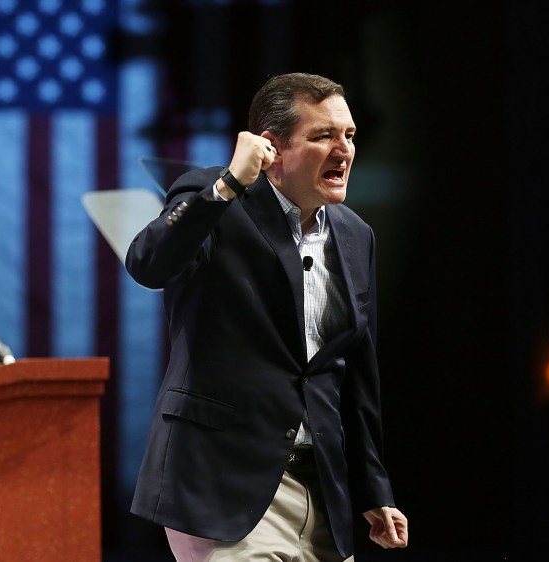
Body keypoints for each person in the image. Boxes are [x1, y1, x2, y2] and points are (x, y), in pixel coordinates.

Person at [125, 72, 408, 561]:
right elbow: (149, 264)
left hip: (322, 488)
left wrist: (375, 489)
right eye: (323, 135)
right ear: (271, 147)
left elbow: (357, 372)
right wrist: (229, 184)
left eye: (349, 135)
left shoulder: (356, 235)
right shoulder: (213, 197)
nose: (343, 149)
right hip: (223, 483)